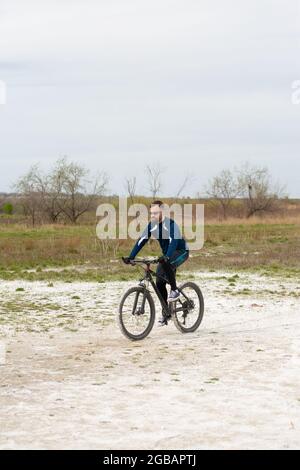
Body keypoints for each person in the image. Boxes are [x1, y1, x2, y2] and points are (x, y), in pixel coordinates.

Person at [123, 200, 189, 325]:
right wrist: (131, 257)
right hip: (166, 255)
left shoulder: (170, 224)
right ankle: (166, 313)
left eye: (155, 213)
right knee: (159, 283)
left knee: (166, 263)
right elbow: (141, 240)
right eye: (151, 213)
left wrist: (167, 257)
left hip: (180, 251)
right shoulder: (151, 225)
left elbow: (173, 241)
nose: (152, 216)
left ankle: (174, 290)